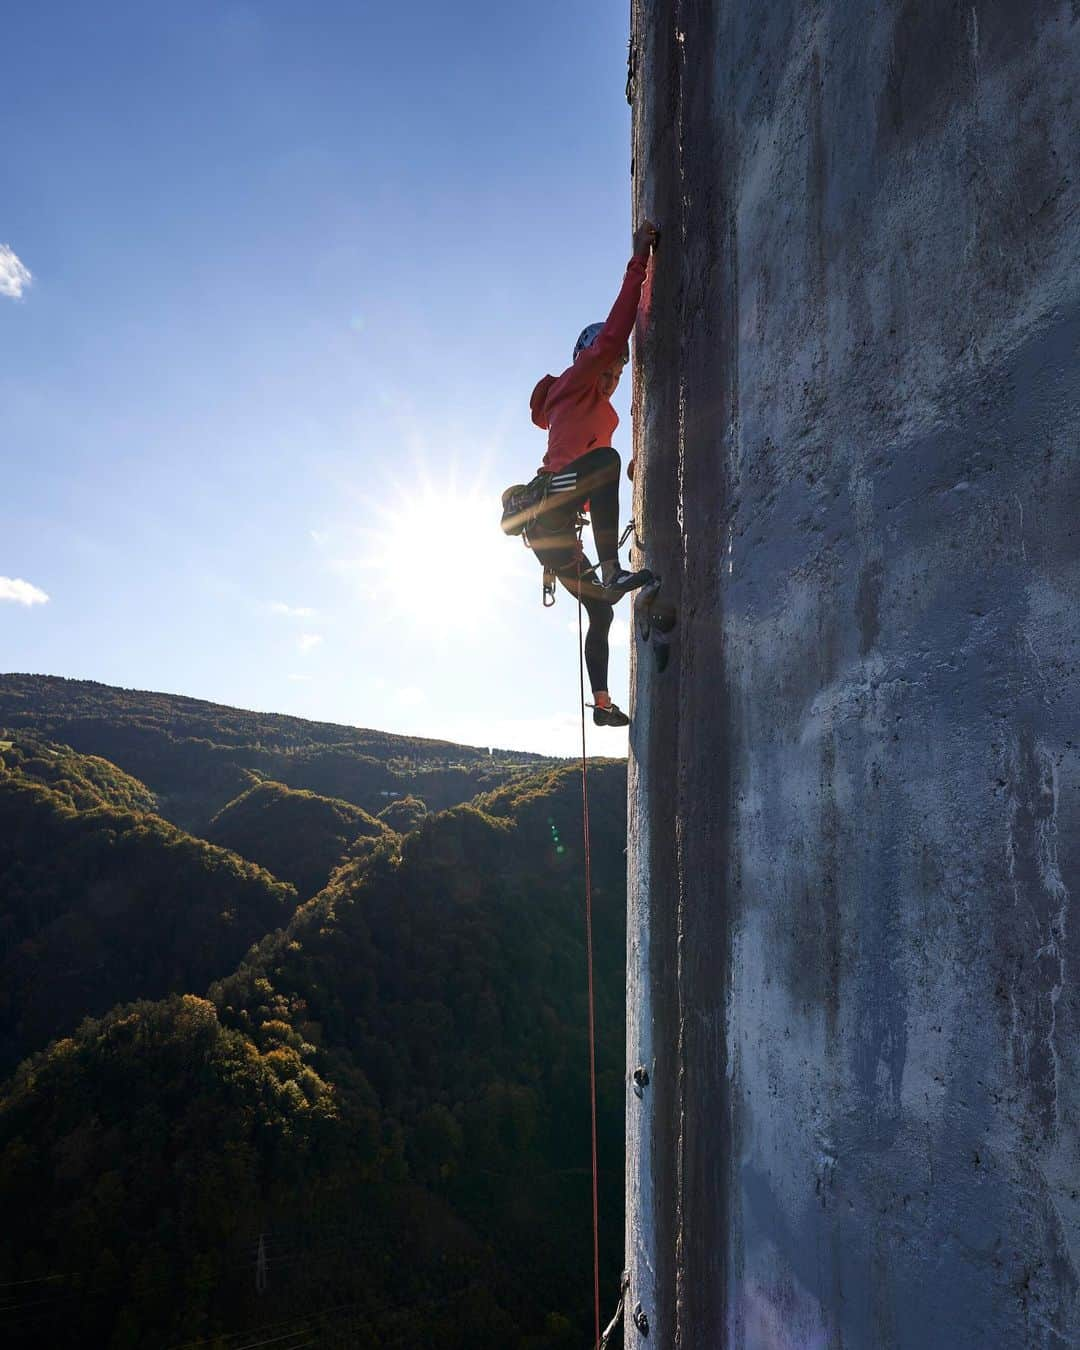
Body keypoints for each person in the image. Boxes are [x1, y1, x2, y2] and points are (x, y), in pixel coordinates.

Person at [524, 220, 658, 728]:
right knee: (604, 463)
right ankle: (612, 567)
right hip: (547, 509)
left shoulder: (602, 415)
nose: (614, 376)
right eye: (611, 366)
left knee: (601, 610)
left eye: (620, 372)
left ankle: (601, 705)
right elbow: (620, 321)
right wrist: (640, 261)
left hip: (555, 535)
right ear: (589, 357)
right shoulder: (573, 382)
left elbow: (594, 484)